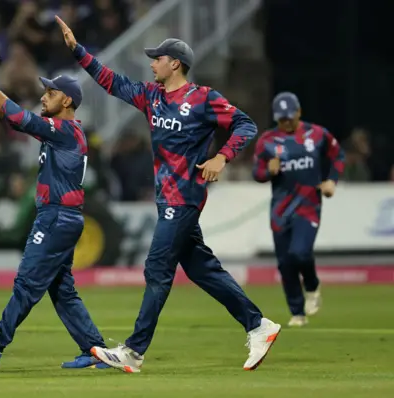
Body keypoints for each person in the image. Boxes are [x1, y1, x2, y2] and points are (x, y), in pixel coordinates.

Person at [55, 15, 281, 373]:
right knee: (203, 269)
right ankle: (258, 324)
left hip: (184, 197)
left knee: (157, 268)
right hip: (168, 200)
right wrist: (78, 51)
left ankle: (133, 351)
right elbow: (111, 82)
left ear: (174, 63)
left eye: (157, 58)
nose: (151, 63)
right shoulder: (152, 96)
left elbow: (246, 124)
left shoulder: (204, 98)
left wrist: (222, 156)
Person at [0, 60, 110, 370]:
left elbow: (17, 117)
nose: (43, 97)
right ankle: (96, 351)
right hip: (63, 217)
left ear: (66, 100)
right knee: (62, 290)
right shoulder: (65, 133)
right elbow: (14, 119)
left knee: (27, 282)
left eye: (50, 92)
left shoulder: (63, 130)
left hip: (55, 218)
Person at [253, 92, 345, 327]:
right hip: (280, 210)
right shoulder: (267, 141)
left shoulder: (317, 134)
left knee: (300, 253)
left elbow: (338, 156)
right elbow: (258, 173)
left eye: (289, 117)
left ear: (298, 112)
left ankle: (312, 285)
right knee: (285, 264)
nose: (285, 122)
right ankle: (297, 312)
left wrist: (331, 180)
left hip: (308, 205)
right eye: (281, 118)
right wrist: (268, 171)